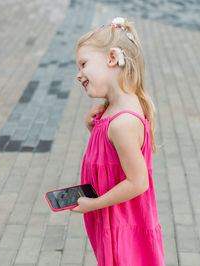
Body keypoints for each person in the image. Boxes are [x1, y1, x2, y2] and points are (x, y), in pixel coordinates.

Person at [71, 17, 165, 265]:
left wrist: (94, 204)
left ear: (112, 59)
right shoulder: (111, 110)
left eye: (83, 64)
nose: (78, 74)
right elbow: (111, 160)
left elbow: (138, 182)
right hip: (115, 221)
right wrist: (93, 128)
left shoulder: (123, 123)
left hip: (124, 226)